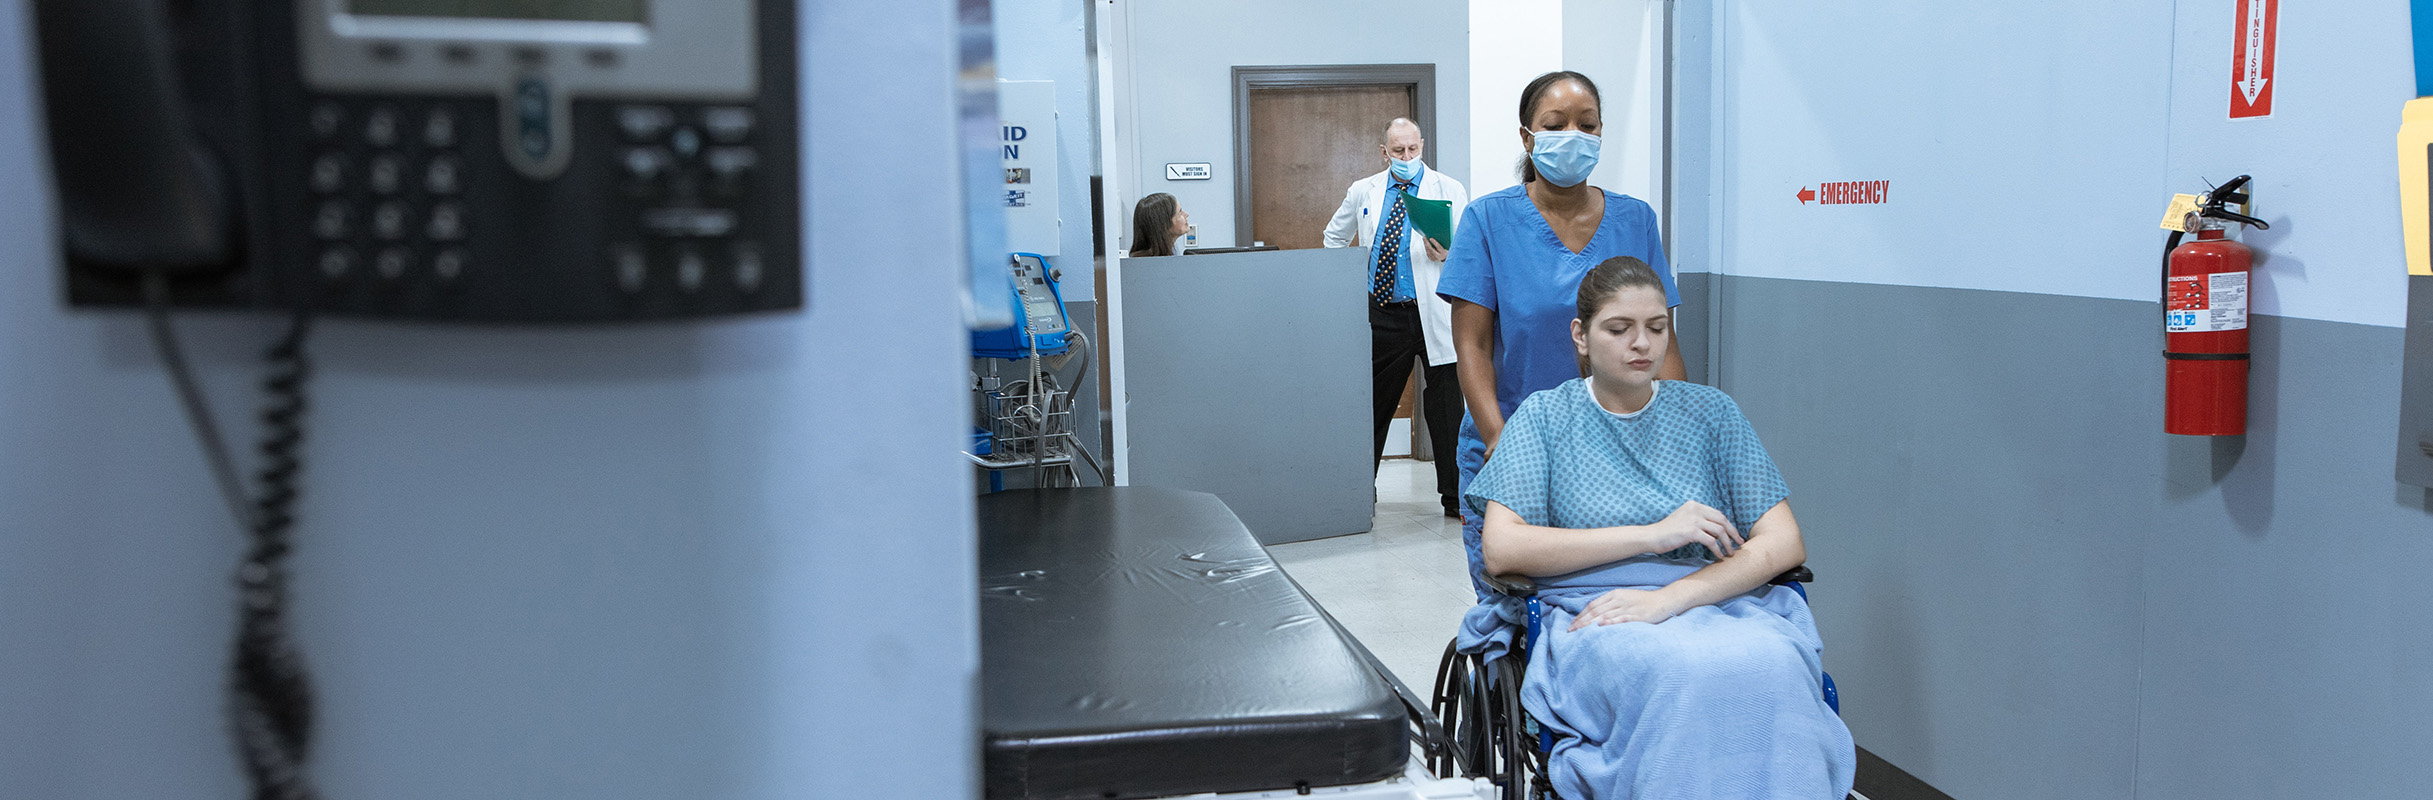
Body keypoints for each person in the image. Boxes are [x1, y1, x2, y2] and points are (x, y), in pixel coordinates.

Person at [1460, 256, 1854, 800]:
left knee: (1776, 663)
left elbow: (1785, 541)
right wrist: (1653, 534)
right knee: (1676, 671)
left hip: (1710, 601)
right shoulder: (1544, 417)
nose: (1641, 344)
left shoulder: (1711, 414)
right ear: (1581, 335)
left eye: (1656, 329)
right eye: (1619, 329)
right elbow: (1503, 548)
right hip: (1591, 609)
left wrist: (1674, 598)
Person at [1436, 71, 1684, 593]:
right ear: (1527, 137)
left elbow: (1665, 343)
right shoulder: (1488, 220)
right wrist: (1499, 439)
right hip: (1512, 439)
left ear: (1600, 133)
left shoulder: (1635, 220)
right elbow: (1471, 345)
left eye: (1586, 124)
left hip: (1618, 443)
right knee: (1522, 603)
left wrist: (1679, 435)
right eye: (1556, 124)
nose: (1573, 134)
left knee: (1621, 589)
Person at [1321, 118, 1470, 515]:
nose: (1406, 157)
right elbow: (1333, 238)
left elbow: (1469, 252)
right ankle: (1358, 490)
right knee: (1373, 405)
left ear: (1422, 145)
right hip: (1383, 312)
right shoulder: (1363, 190)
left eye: (1413, 150)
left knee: (1446, 408)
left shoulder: (1449, 189)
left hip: (1435, 310)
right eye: (1398, 151)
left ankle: (1455, 499)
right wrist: (1351, 285)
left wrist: (1448, 255)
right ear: (1384, 152)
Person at [1128, 192, 1188, 257]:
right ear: (1165, 224)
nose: (1186, 214)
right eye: (1180, 212)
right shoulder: (1148, 264)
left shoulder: (1171, 251)